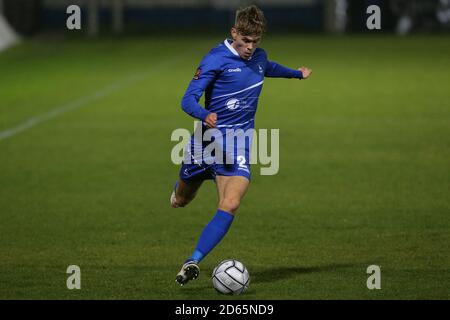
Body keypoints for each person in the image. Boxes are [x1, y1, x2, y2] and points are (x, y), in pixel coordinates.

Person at [172, 5, 312, 286]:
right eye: (245, 41)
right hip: (206, 143)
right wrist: (204, 114)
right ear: (233, 32)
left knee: (231, 202)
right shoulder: (215, 59)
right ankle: (178, 191)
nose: (250, 48)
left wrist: (295, 74)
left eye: (255, 42)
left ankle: (193, 260)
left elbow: (267, 67)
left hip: (238, 146)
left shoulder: (259, 57)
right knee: (182, 200)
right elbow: (187, 100)